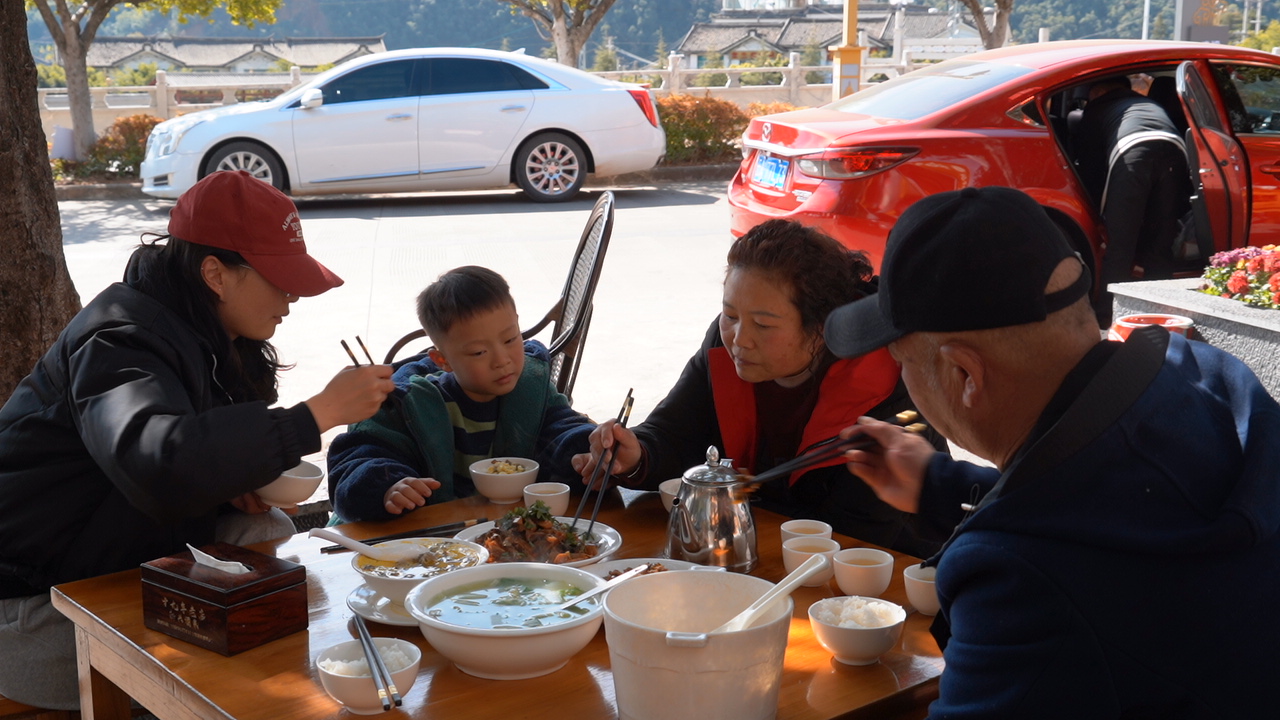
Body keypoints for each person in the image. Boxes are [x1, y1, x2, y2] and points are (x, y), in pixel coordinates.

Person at [823, 186, 1280, 718]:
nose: (903, 376)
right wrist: (938, 487)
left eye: (901, 360)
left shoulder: (1021, 583)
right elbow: (1114, 510)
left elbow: (1063, 556)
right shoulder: (1211, 383)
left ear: (965, 374)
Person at [0, 170, 395, 710]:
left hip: (118, 561)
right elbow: (156, 462)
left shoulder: (209, 334)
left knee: (263, 532)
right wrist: (316, 414)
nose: (292, 297)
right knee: (249, 658)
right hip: (35, 610)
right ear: (215, 274)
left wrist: (229, 485)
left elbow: (183, 462)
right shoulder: (117, 338)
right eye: (279, 279)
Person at [573, 219, 946, 556]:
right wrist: (635, 455)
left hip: (888, 576)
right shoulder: (724, 348)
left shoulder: (886, 381)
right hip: (758, 552)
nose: (739, 339)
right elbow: (677, 430)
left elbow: (855, 532)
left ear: (822, 327)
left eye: (764, 325)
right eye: (730, 315)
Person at [326, 265, 594, 522]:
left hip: (501, 529)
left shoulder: (531, 386)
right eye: (479, 352)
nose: (502, 360)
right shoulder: (406, 402)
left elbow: (561, 429)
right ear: (443, 361)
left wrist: (588, 451)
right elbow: (355, 461)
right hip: (422, 537)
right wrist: (387, 486)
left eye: (511, 339)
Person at [1076, 75, 1192, 326]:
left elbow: (1090, 163)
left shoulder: (1097, 108)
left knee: (1120, 245)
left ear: (1098, 92)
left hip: (1132, 151)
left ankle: (1108, 315)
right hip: (1175, 150)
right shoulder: (1148, 103)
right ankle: (1159, 312)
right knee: (1161, 242)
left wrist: (1097, 205)